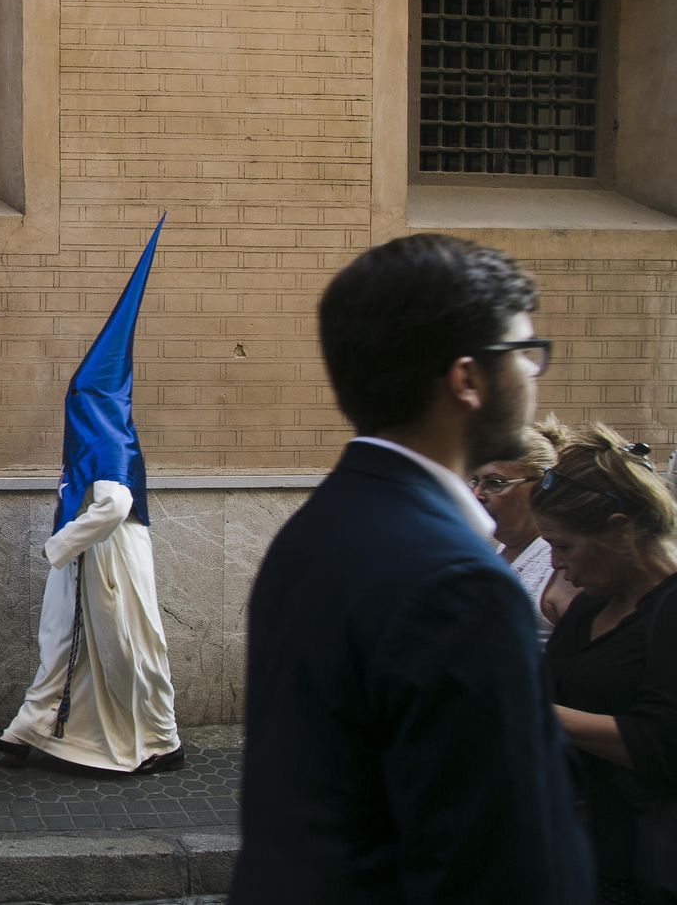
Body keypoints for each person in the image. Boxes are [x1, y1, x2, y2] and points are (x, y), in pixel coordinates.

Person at [231, 233, 591, 904]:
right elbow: (500, 864)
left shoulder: (321, 527)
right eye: (524, 355)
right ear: (467, 379)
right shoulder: (460, 584)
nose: (533, 377)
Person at [0, 215, 181, 776]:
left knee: (125, 645)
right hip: (98, 548)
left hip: (104, 549)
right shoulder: (109, 419)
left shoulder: (103, 424)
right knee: (63, 639)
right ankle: (25, 732)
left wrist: (60, 545)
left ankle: (161, 739)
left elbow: (113, 504)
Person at [535, 425, 677, 904]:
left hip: (644, 868)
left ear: (620, 529)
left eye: (565, 546)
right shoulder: (592, 605)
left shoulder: (668, 609)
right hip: (586, 854)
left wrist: (526, 709)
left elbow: (660, 744)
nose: (557, 564)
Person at [471, 418, 580, 644]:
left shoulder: (561, 566)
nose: (478, 495)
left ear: (540, 487)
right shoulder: (501, 550)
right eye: (476, 481)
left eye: (495, 483)